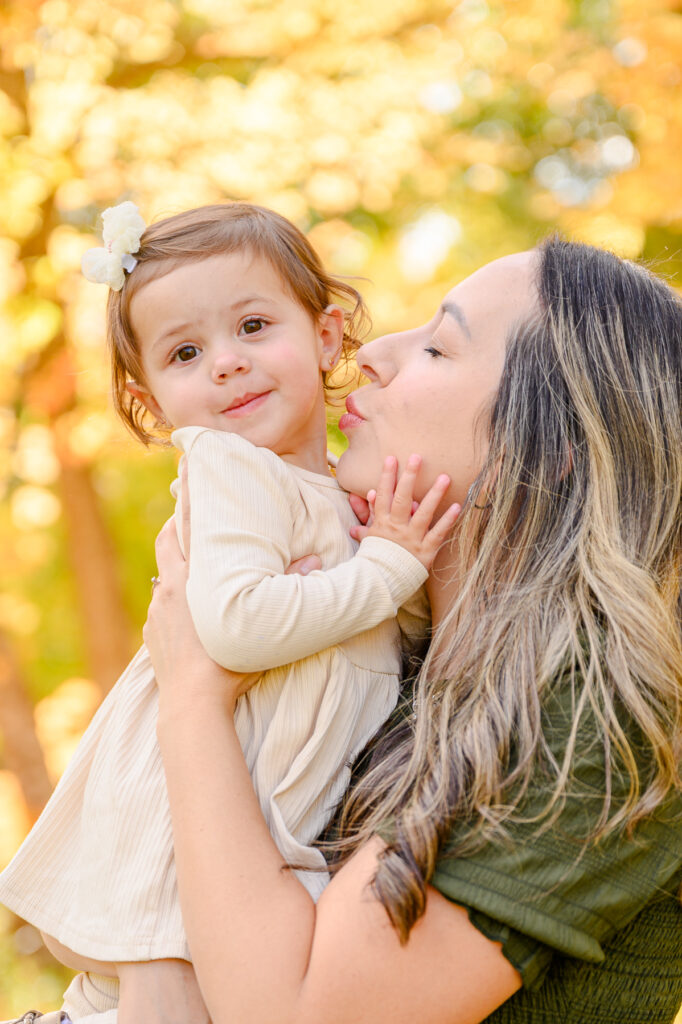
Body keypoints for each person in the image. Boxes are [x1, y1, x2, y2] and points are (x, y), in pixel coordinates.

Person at [141, 237, 682, 1024]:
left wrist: (191, 699)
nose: (374, 355)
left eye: (437, 345)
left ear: (554, 442)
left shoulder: (596, 715)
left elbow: (295, 1018)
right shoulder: (396, 663)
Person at [0, 202, 460, 1024]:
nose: (226, 364)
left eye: (252, 325)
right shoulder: (231, 470)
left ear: (325, 337)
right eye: (186, 352)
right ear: (153, 401)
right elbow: (238, 624)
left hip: (253, 823)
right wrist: (393, 566)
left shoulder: (328, 496)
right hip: (181, 830)